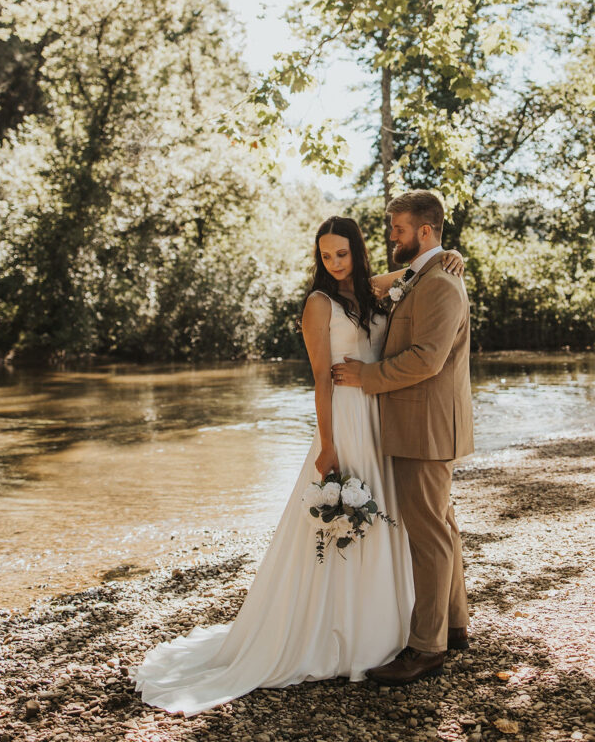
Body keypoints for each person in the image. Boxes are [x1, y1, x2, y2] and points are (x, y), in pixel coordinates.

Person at [129, 214, 465, 714]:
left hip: (381, 422)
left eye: (342, 253)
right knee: (348, 525)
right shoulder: (318, 303)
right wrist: (327, 445)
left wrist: (453, 256)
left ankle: (392, 627)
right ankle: (336, 632)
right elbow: (321, 380)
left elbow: (413, 270)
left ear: (356, 251)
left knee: (392, 521)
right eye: (325, 255)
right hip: (347, 425)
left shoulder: (371, 292)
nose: (333, 262)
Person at [332, 190, 474, 685]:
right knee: (442, 525)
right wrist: (439, 255)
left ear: (425, 231)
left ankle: (426, 648)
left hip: (425, 427)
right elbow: (365, 284)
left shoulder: (441, 286)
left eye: (397, 228)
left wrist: (364, 378)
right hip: (422, 424)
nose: (390, 235)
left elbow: (426, 360)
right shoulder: (425, 275)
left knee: (428, 535)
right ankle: (454, 625)